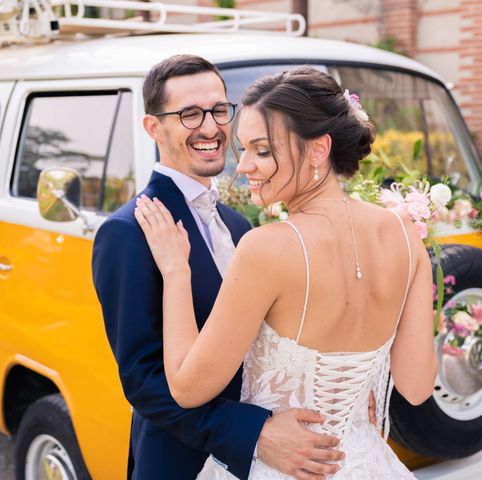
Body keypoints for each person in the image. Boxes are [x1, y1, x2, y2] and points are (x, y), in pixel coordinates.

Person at [133, 66, 438, 479]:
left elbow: (187, 389)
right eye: (243, 150)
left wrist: (175, 271)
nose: (243, 167)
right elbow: (417, 388)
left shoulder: (267, 247)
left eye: (262, 150)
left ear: (317, 150)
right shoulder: (406, 236)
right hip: (364, 462)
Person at [92, 56, 346, 480]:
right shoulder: (127, 232)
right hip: (182, 462)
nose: (210, 128)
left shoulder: (237, 222)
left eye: (218, 110)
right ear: (154, 128)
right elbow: (144, 381)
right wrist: (256, 434)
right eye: (189, 114)